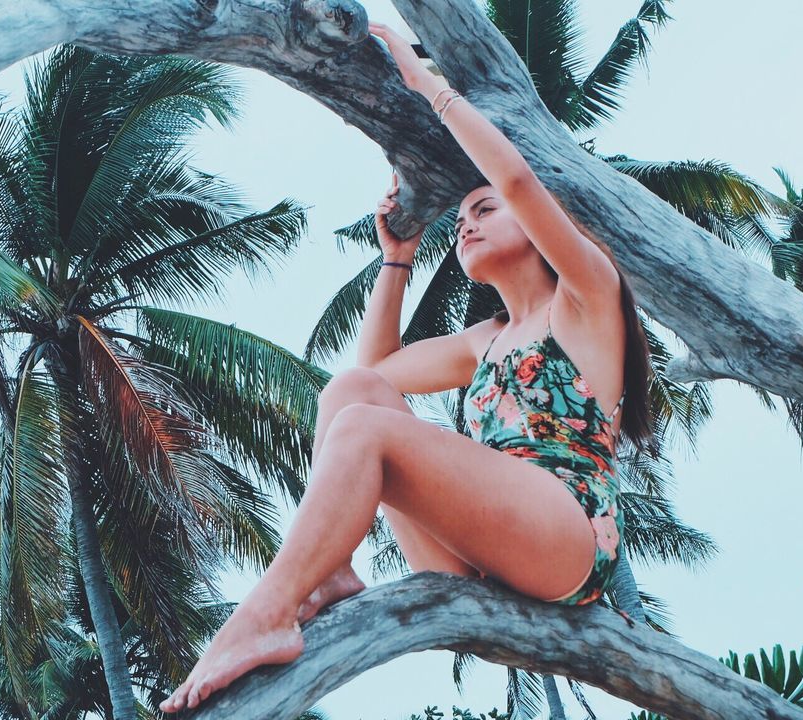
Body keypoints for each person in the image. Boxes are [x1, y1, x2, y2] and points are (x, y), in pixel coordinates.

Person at [159, 20, 655, 714]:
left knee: (365, 426)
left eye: (484, 210)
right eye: (462, 218)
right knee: (354, 391)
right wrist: (397, 255)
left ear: (539, 227)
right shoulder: (486, 338)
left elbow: (513, 175)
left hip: (564, 538)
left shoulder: (587, 298)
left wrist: (427, 83)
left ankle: (261, 617)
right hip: (481, 552)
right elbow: (377, 377)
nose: (467, 224)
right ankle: (328, 573)